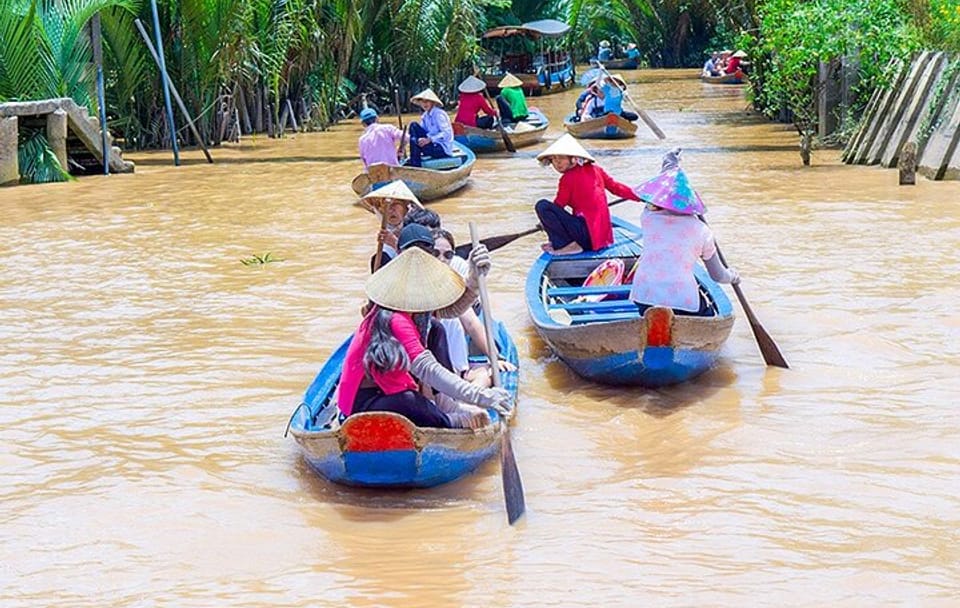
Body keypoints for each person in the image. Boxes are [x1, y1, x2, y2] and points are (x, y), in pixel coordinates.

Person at [334, 246, 513, 429]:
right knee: (411, 402)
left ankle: (447, 406)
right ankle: (451, 421)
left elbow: (451, 309)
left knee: (436, 330)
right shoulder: (395, 319)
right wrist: (480, 396)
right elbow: (428, 369)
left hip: (388, 392)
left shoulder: (415, 314)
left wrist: (474, 280)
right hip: (364, 406)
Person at [628, 149, 739, 316]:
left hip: (644, 295)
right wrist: (733, 276)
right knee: (709, 317)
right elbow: (718, 276)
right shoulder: (702, 231)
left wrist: (670, 164)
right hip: (681, 301)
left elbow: (662, 190)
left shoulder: (649, 218)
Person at [432, 228, 516, 387]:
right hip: (431, 373)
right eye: (435, 254)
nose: (442, 259)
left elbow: (471, 323)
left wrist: (495, 359)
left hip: (456, 371)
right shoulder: (415, 292)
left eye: (447, 255)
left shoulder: (451, 289)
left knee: (484, 377)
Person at [534, 134, 639, 255]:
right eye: (554, 159)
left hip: (587, 238)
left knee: (542, 206)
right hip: (601, 239)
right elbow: (616, 188)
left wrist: (545, 222)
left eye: (562, 158)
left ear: (573, 158)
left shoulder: (567, 178)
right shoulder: (596, 169)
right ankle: (562, 242)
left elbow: (558, 205)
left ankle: (568, 245)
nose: (557, 162)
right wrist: (640, 196)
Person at [359, 180, 424, 272]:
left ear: (407, 207)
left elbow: (420, 264)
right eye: (385, 206)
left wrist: (395, 244)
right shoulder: (385, 241)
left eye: (396, 204)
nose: (390, 210)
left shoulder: (419, 229)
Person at [407, 88, 454, 167]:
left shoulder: (439, 114)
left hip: (442, 149)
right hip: (431, 145)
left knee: (415, 142)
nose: (424, 104)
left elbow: (447, 133)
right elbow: (420, 133)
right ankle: (414, 159)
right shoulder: (425, 116)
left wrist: (430, 139)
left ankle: (415, 163)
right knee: (413, 126)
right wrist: (418, 140)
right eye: (422, 101)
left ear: (432, 102)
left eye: (427, 101)